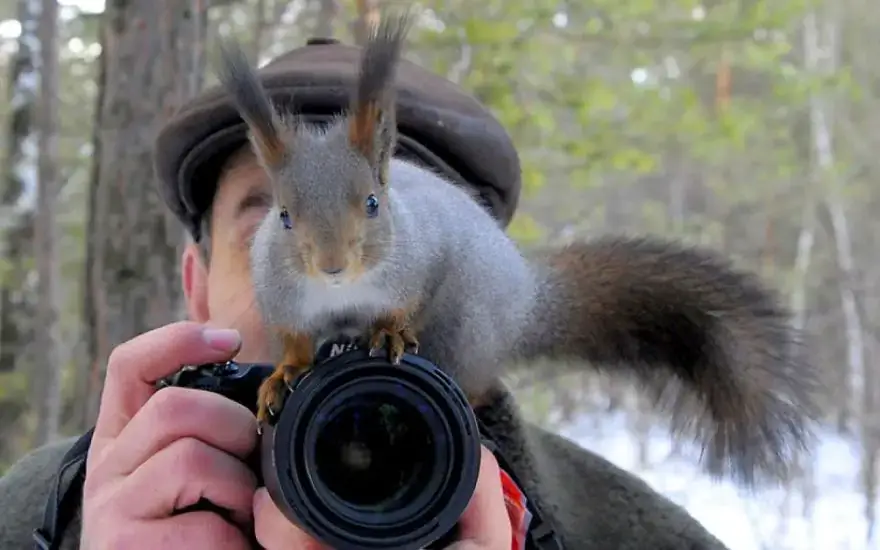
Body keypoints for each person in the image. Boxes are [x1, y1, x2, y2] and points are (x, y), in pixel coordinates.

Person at [0, 37, 730, 549]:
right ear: (196, 287)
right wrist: (69, 538)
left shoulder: (624, 529)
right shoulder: (46, 506)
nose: (331, 260)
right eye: (265, 218)